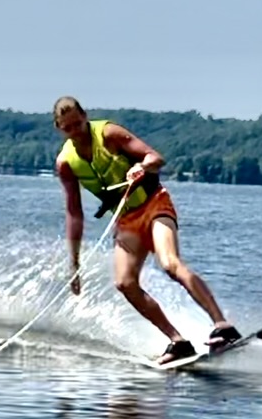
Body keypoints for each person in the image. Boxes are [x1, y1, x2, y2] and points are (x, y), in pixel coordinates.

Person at [53, 96, 240, 364]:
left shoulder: (109, 133)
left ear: (85, 117)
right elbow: (74, 213)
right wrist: (74, 263)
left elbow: (156, 157)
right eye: (67, 128)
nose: (75, 131)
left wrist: (142, 166)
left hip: (154, 205)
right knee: (124, 283)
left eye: (78, 124)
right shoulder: (66, 163)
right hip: (127, 219)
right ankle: (178, 342)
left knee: (169, 263)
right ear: (58, 128)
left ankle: (223, 326)